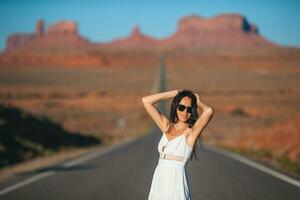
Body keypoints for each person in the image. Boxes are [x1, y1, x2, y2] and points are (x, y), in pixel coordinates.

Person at [142, 89, 214, 200]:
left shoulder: (191, 133)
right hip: (159, 181)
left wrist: (197, 102)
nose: (185, 112)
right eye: (181, 107)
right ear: (175, 107)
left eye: (189, 109)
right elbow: (146, 101)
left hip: (177, 184)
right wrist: (173, 93)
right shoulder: (166, 126)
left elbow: (208, 111)